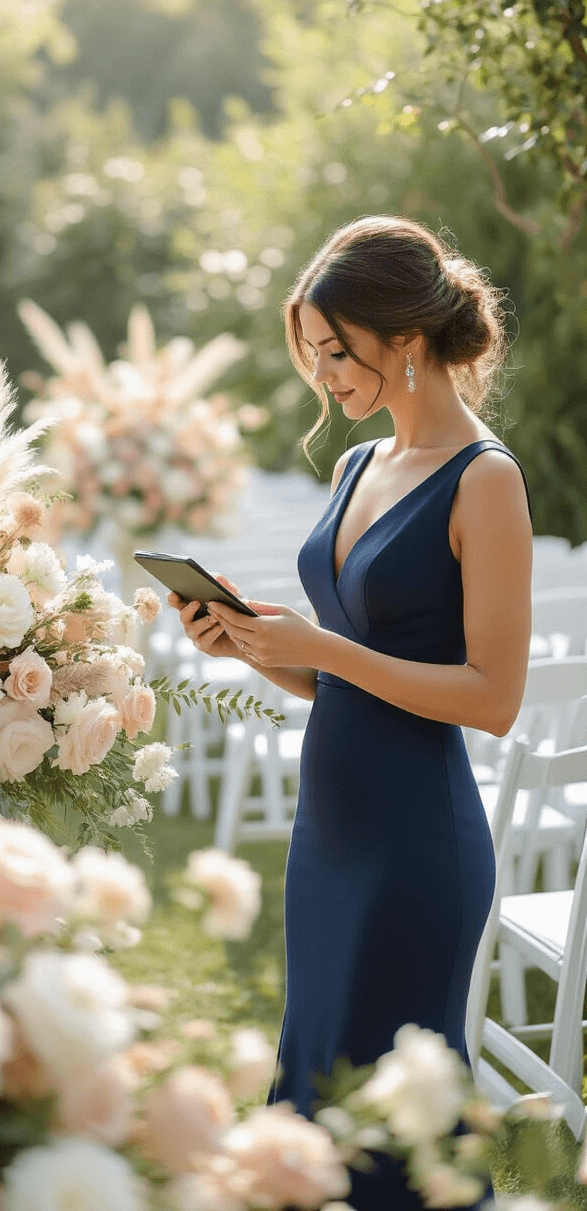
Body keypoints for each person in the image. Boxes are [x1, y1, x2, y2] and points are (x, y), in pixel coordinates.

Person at [168, 215, 533, 1209]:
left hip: (417, 841)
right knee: (320, 1102)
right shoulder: (355, 468)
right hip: (327, 836)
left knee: (401, 1136)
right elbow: (347, 680)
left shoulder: (485, 481)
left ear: (402, 338)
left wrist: (323, 647)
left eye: (336, 351)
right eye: (314, 354)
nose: (322, 375)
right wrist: (254, 647)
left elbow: (493, 698)